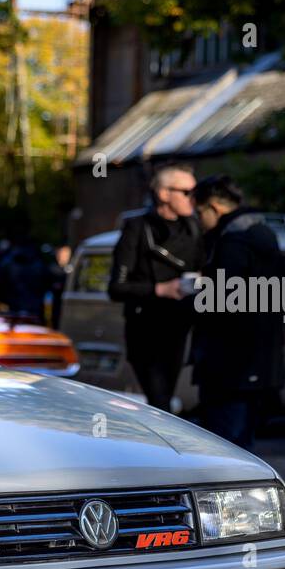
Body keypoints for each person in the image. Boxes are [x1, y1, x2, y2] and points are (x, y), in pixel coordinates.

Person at [188, 174, 285, 450]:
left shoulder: (233, 244)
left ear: (215, 207)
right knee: (243, 445)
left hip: (229, 369)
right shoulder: (266, 238)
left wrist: (191, 296)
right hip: (260, 366)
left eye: (200, 212)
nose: (199, 220)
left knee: (222, 448)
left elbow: (218, 307)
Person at [107, 163, 204, 410]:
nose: (193, 198)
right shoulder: (137, 228)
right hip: (145, 328)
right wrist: (160, 289)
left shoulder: (194, 228)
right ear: (163, 194)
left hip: (179, 326)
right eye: (186, 192)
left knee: (165, 399)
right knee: (159, 400)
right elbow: (116, 288)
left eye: (195, 192)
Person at [48, 244, 73, 328]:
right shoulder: (52, 269)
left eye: (66, 254)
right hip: (56, 303)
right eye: (62, 254)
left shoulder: (71, 269)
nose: (64, 256)